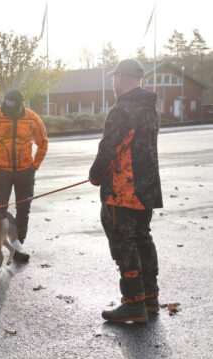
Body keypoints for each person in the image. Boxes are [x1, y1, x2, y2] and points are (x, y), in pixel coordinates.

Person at [89, 59, 162, 323]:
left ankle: (133, 303)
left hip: (123, 190)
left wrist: (95, 176)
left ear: (120, 78)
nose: (112, 82)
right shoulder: (150, 108)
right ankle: (149, 298)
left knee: (124, 243)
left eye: (113, 78)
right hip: (147, 187)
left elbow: (108, 148)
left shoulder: (123, 109)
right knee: (143, 238)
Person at [0, 89, 48, 264]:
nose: (8, 114)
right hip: (1, 172)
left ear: (21, 105)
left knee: (23, 211)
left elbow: (43, 143)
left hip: (25, 172)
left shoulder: (32, 118)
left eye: (13, 111)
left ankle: (18, 249)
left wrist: (34, 165)